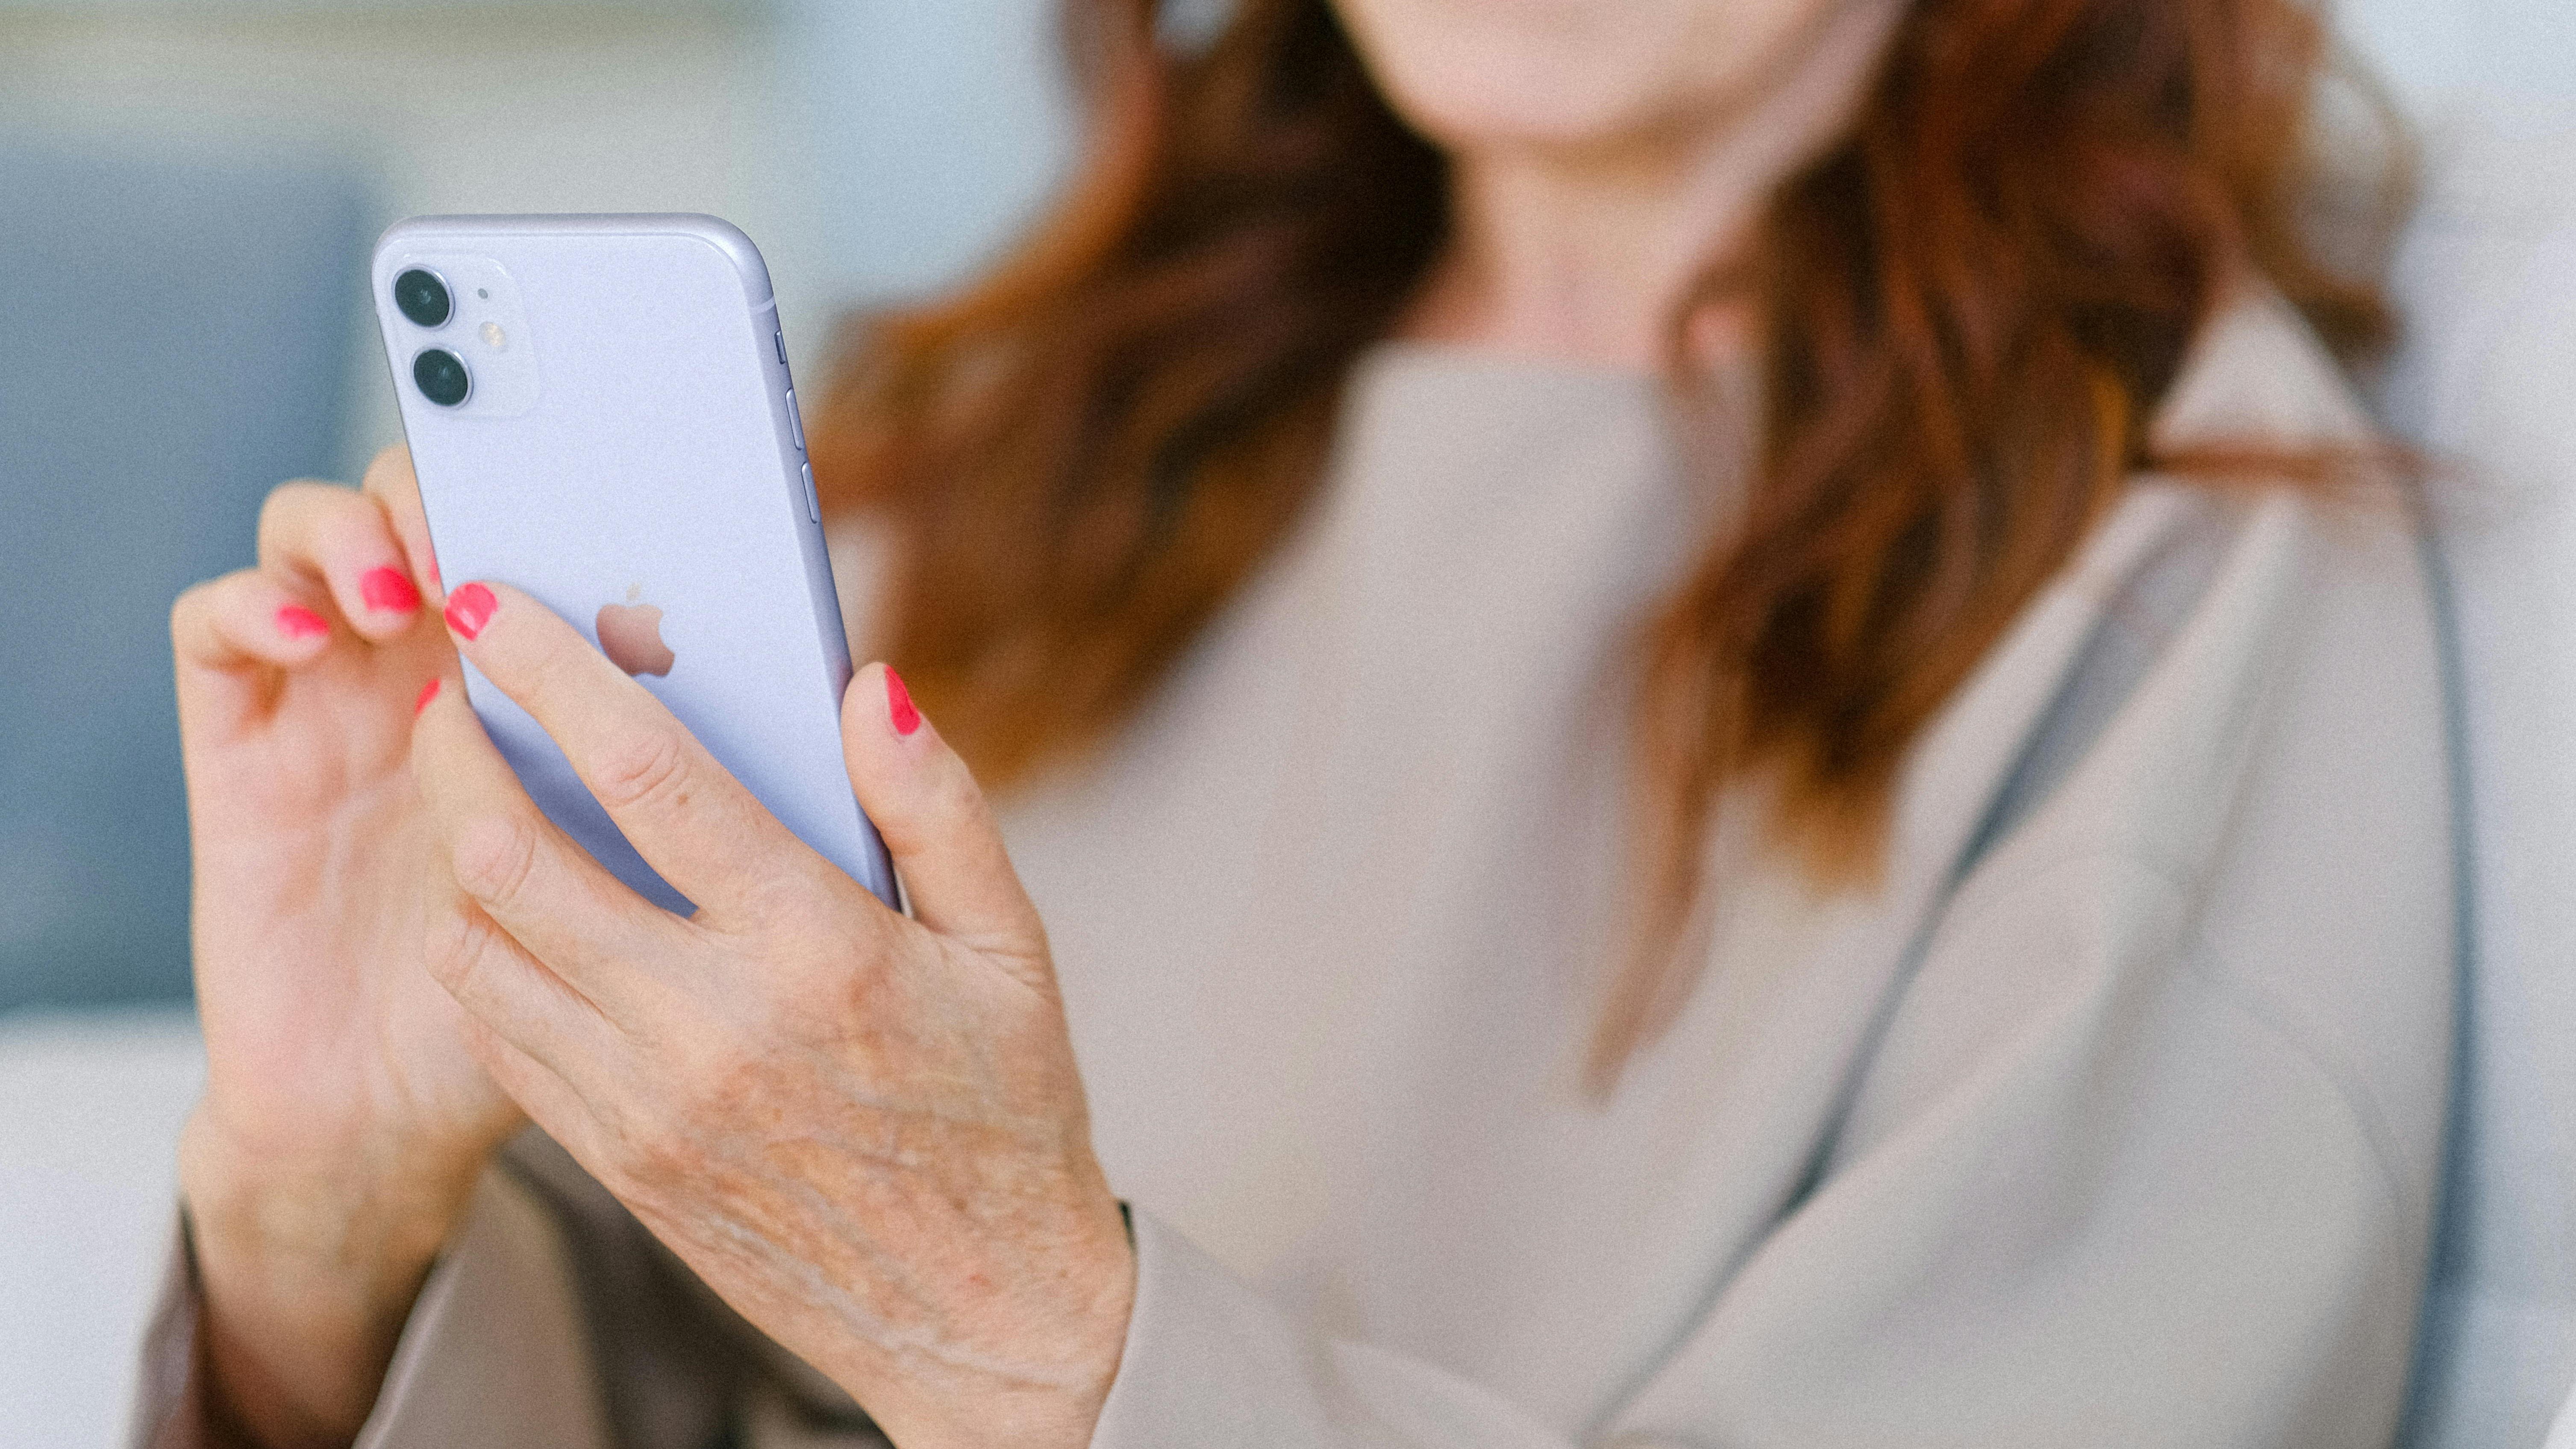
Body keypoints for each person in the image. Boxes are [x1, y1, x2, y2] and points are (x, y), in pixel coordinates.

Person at [139, 0, 2455, 1445]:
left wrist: (1042, 1351)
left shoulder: (2178, 568)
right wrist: (321, 1241)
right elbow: (653, 1385)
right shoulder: (1004, 439)